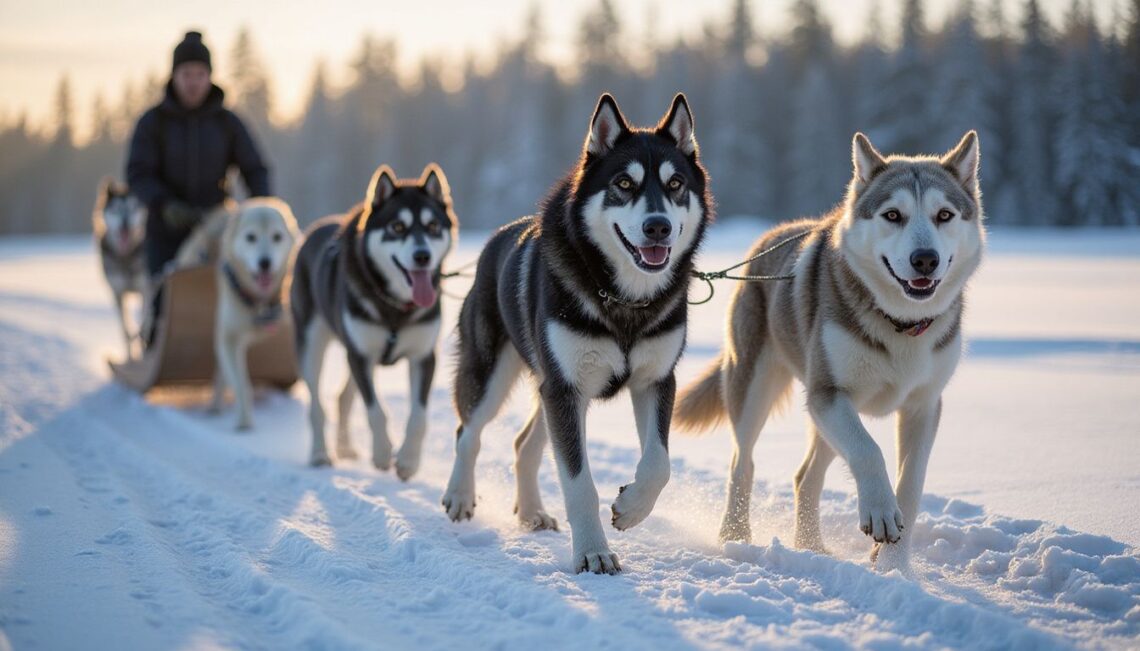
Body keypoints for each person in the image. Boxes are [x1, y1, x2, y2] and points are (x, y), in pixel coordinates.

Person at [127, 30, 271, 343]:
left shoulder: (228, 123)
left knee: (237, 288)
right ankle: (154, 348)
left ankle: (240, 347)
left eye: (200, 74)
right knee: (163, 300)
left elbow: (254, 168)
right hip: (165, 228)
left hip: (216, 226)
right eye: (187, 74)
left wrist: (261, 209)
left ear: (210, 77)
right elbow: (138, 173)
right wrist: (164, 204)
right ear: (174, 76)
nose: (193, 82)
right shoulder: (153, 123)